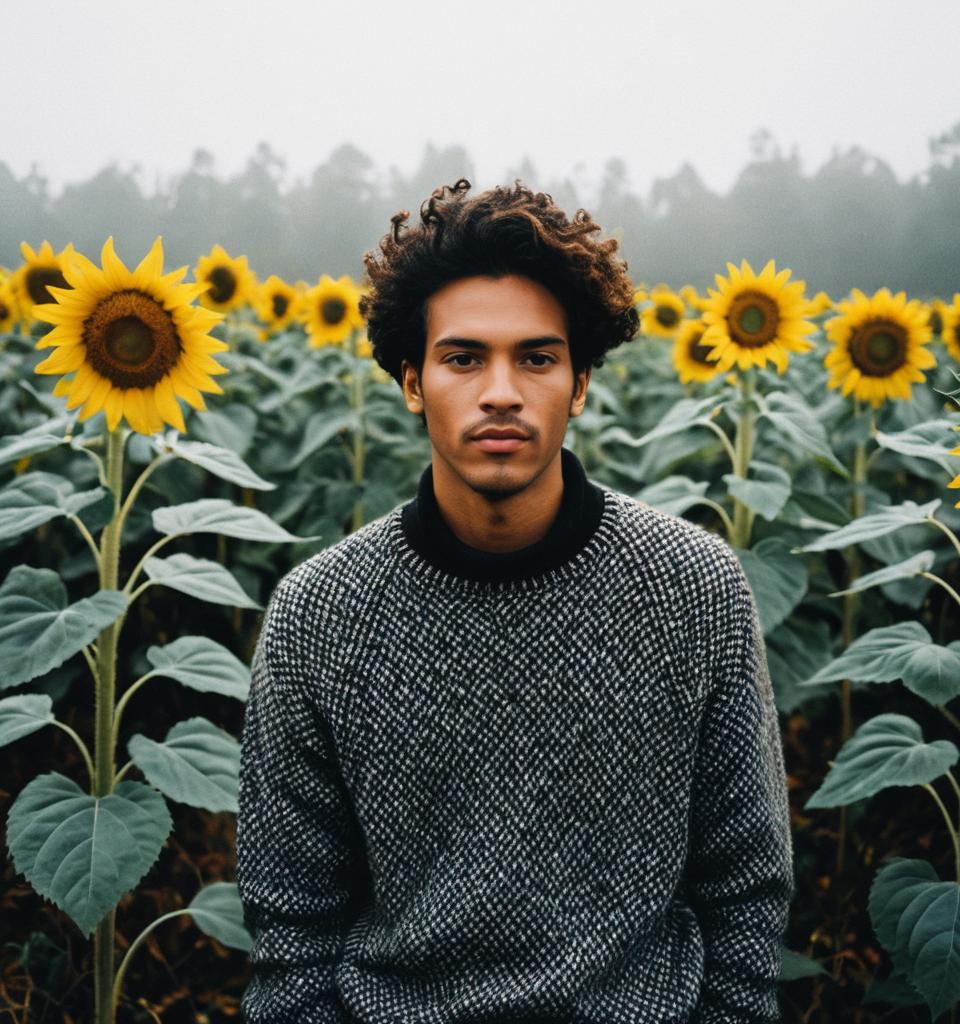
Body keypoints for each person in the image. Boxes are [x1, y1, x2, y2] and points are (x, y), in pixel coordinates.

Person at [234, 178, 795, 1023]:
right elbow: (292, 936)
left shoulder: (694, 591)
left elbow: (747, 894)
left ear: (579, 383)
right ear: (411, 381)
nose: (501, 391)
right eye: (463, 358)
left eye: (537, 357)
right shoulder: (322, 616)